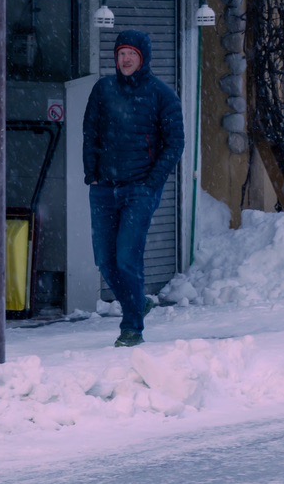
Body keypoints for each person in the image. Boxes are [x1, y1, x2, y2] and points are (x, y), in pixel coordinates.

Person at [83, 27, 185, 347]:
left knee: (128, 256)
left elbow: (175, 143)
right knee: (105, 259)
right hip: (103, 189)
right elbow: (90, 134)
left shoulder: (161, 94)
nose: (125, 60)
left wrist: (152, 182)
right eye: (121, 54)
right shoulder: (103, 90)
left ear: (143, 58)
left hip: (139, 189)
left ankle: (132, 328)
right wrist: (93, 175)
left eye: (132, 55)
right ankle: (137, 303)